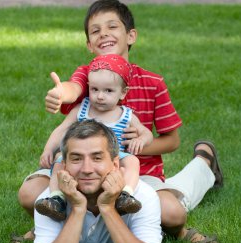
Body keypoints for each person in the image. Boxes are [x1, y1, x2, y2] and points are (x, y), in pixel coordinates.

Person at [18, 0, 222, 243]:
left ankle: (203, 165)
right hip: (82, 167)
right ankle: (49, 221)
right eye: (95, 31)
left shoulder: (153, 83)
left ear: (131, 35)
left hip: (138, 173)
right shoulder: (88, 76)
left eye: (112, 27)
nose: (103, 33)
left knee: (170, 213)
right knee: (30, 194)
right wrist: (62, 93)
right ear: (89, 45)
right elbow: (73, 89)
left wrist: (127, 149)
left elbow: (172, 141)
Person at [33, 119, 162, 243]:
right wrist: (78, 208)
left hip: (159, 189)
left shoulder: (143, 195)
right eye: (76, 158)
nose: (87, 169)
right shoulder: (50, 201)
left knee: (175, 210)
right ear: (64, 165)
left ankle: (201, 157)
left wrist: (108, 208)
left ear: (115, 164)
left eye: (97, 158)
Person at [34, 54, 153, 221]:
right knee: (59, 159)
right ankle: (56, 199)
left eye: (108, 91)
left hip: (113, 157)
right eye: (94, 89)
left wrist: (140, 140)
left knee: (133, 161)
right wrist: (48, 149)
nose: (100, 96)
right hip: (79, 155)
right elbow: (62, 129)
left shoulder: (126, 115)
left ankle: (125, 196)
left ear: (123, 93)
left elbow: (146, 133)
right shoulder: (82, 109)